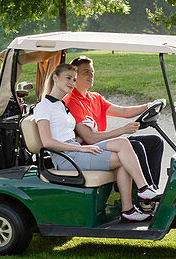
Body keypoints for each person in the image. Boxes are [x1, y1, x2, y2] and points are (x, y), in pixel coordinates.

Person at [32, 64, 160, 223]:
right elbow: (48, 142)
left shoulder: (60, 105)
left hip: (75, 150)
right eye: (68, 78)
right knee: (122, 159)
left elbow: (66, 135)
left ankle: (139, 196)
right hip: (65, 159)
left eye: (73, 79)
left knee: (122, 143)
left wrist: (81, 140)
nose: (72, 82)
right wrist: (81, 148)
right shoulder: (43, 107)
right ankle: (136, 199)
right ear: (55, 78)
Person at [64, 55, 165, 188]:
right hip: (88, 149)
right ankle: (145, 196)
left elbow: (123, 112)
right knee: (136, 146)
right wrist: (123, 130)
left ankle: (153, 188)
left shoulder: (95, 97)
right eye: (86, 72)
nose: (91, 75)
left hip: (103, 144)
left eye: (92, 72)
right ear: (74, 76)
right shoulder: (72, 101)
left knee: (155, 142)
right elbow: (89, 138)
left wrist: (147, 106)